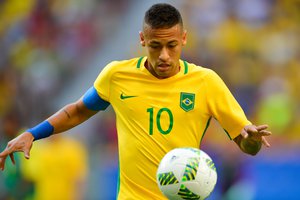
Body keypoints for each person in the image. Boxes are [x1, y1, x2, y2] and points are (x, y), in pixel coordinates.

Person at [0, 3, 271, 200]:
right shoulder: (117, 75)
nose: (164, 55)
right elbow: (77, 111)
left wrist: (252, 140)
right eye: (155, 46)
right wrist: (33, 134)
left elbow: (247, 144)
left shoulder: (207, 82)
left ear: (184, 39)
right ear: (143, 40)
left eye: (172, 45)